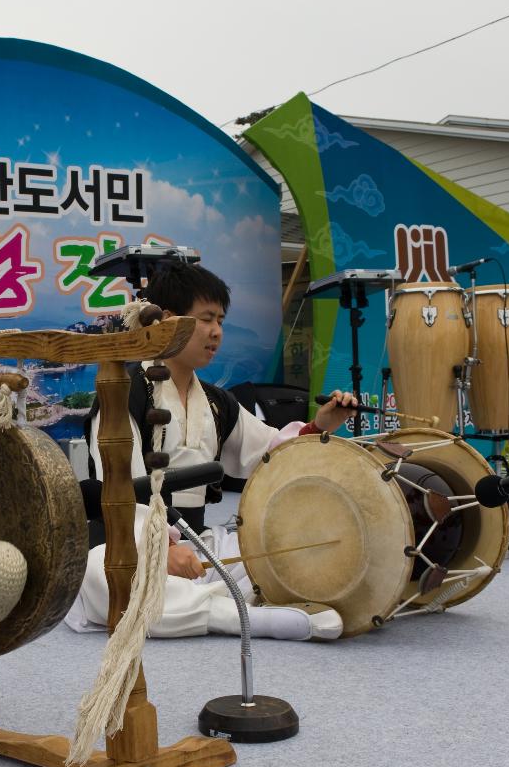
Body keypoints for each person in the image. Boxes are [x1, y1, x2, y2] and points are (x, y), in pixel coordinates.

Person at [66, 262, 359, 641]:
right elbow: (119, 491)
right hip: (127, 544)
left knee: (271, 545)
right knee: (102, 576)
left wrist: (320, 426)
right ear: (168, 320)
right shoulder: (122, 394)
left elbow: (273, 454)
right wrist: (162, 551)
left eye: (220, 320)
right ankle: (245, 616)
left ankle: (224, 597)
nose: (216, 332)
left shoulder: (220, 403)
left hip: (200, 543)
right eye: (206, 319)